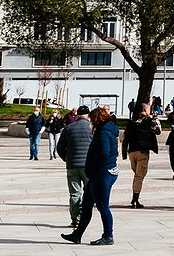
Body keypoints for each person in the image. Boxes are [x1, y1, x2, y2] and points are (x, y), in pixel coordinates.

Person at [63, 105, 119, 246]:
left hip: (102, 174)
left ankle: (108, 236)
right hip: (97, 174)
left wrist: (94, 167)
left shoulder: (103, 132)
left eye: (92, 119)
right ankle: (77, 234)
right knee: (87, 204)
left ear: (96, 119)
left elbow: (104, 154)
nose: (90, 122)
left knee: (102, 206)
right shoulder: (104, 130)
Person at [56, 105, 94, 228]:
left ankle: (75, 218)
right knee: (89, 192)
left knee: (74, 193)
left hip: (72, 165)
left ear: (77, 115)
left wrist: (66, 158)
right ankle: (85, 216)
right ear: (88, 115)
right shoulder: (92, 128)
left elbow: (60, 148)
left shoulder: (69, 128)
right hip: (88, 165)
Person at [123, 106, 159, 209]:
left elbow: (126, 137)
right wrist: (155, 118)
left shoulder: (132, 122)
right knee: (139, 176)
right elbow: (158, 130)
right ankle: (135, 200)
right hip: (142, 152)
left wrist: (125, 153)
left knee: (137, 175)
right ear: (145, 111)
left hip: (132, 152)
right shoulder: (149, 122)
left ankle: (135, 197)